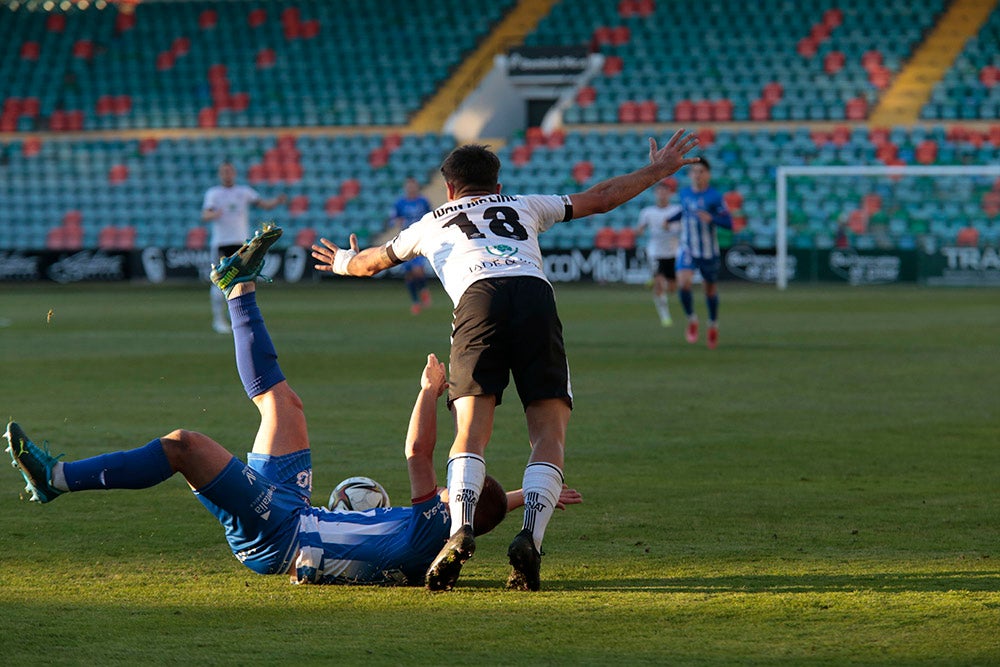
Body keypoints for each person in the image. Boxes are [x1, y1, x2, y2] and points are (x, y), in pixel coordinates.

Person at [5, 226, 581, 586]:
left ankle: (56, 478)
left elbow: (419, 453)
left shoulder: (441, 525)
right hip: (296, 512)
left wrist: (429, 392)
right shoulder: (446, 530)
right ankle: (238, 287)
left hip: (281, 538)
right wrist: (531, 495)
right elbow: (481, 504)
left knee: (183, 446)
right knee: (284, 406)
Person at [311, 130, 700, 591]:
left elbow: (371, 262)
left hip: (479, 301)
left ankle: (460, 531)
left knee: (470, 435)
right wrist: (658, 170)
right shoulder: (526, 205)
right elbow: (600, 198)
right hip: (534, 297)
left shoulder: (431, 221)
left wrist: (341, 261)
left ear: (450, 189)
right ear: (496, 187)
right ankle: (530, 540)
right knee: (548, 433)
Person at [201, 160, 287, 334]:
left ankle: (237, 318)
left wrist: (276, 201)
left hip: (241, 244)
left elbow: (263, 204)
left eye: (229, 171)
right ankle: (218, 319)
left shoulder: (244, 191)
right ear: (220, 174)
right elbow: (205, 214)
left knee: (242, 281)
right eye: (224, 172)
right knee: (221, 281)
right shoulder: (214, 193)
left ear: (234, 173)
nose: (227, 175)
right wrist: (214, 213)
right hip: (222, 243)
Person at [676, 158, 732, 349]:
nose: (697, 175)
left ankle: (712, 325)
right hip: (688, 247)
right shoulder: (684, 194)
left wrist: (712, 218)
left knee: (709, 290)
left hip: (708, 251)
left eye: (701, 171)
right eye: (694, 171)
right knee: (683, 283)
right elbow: (683, 212)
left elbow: (729, 223)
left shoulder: (715, 197)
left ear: (707, 174)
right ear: (690, 174)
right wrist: (669, 219)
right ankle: (692, 319)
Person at [635, 181, 683, 326]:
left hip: (673, 252)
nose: (662, 194)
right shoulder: (647, 212)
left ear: (669, 194)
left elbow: (682, 230)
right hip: (655, 252)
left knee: (673, 288)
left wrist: (669, 227)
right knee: (660, 285)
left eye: (665, 192)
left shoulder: (677, 210)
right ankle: (665, 317)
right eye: (659, 191)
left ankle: (654, 279)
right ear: (655, 194)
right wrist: (640, 231)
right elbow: (641, 228)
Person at [388, 177, 434, 314]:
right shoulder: (399, 203)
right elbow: (392, 219)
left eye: (413, 186)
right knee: (409, 275)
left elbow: (431, 216)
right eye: (409, 186)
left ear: (417, 187)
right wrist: (397, 221)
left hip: (420, 239)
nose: (411, 188)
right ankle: (415, 302)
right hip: (406, 239)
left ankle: (424, 290)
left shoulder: (423, 201)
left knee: (418, 270)